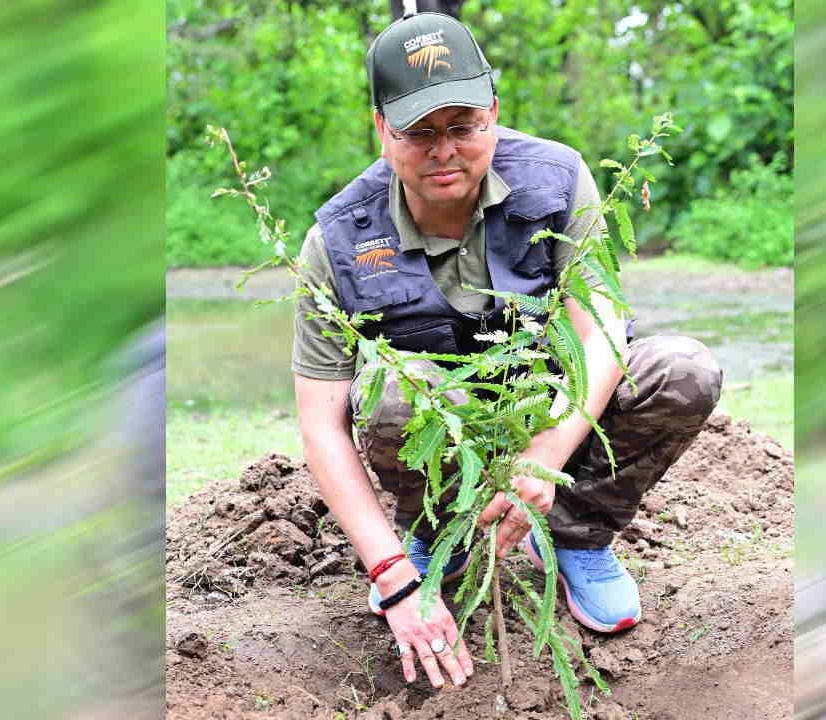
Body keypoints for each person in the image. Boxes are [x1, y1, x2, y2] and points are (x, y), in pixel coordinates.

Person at [292, 12, 722, 690]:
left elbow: (602, 332)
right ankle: (440, 539)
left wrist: (546, 454)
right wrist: (392, 576)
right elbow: (321, 424)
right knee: (399, 395)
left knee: (682, 371)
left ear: (493, 111)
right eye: (419, 131)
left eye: (463, 124)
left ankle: (580, 532)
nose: (445, 150)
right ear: (381, 129)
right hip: (438, 430)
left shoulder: (556, 180)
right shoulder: (339, 240)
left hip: (550, 408)